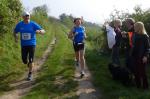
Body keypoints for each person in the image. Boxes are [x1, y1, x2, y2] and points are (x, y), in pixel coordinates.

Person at [13, 11, 45, 81]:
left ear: (29, 17)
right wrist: (15, 37)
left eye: (28, 17)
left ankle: (30, 74)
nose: (27, 19)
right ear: (23, 17)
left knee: (31, 60)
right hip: (23, 45)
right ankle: (29, 64)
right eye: (26, 17)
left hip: (32, 44)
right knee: (24, 60)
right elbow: (15, 31)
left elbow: (43, 31)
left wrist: (39, 31)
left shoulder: (33, 24)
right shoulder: (20, 25)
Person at [132, 22, 150, 89]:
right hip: (134, 55)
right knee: (136, 71)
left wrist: (145, 56)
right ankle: (138, 85)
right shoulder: (134, 34)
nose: (134, 27)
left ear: (139, 27)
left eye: (135, 26)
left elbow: (148, 48)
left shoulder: (145, 36)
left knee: (142, 72)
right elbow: (133, 44)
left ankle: (145, 87)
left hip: (142, 56)